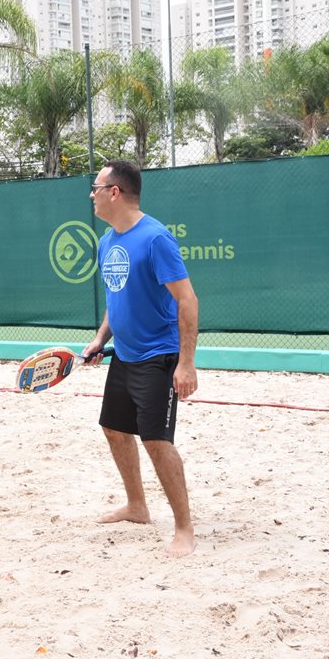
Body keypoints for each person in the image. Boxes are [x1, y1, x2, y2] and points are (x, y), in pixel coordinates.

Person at [82, 160, 200, 558]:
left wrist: (186, 363)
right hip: (125, 355)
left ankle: (184, 528)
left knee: (155, 440)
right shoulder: (106, 241)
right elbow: (117, 300)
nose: (91, 195)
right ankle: (137, 506)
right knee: (114, 430)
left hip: (158, 356)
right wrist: (101, 339)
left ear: (114, 192)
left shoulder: (155, 238)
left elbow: (187, 299)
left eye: (95, 187)